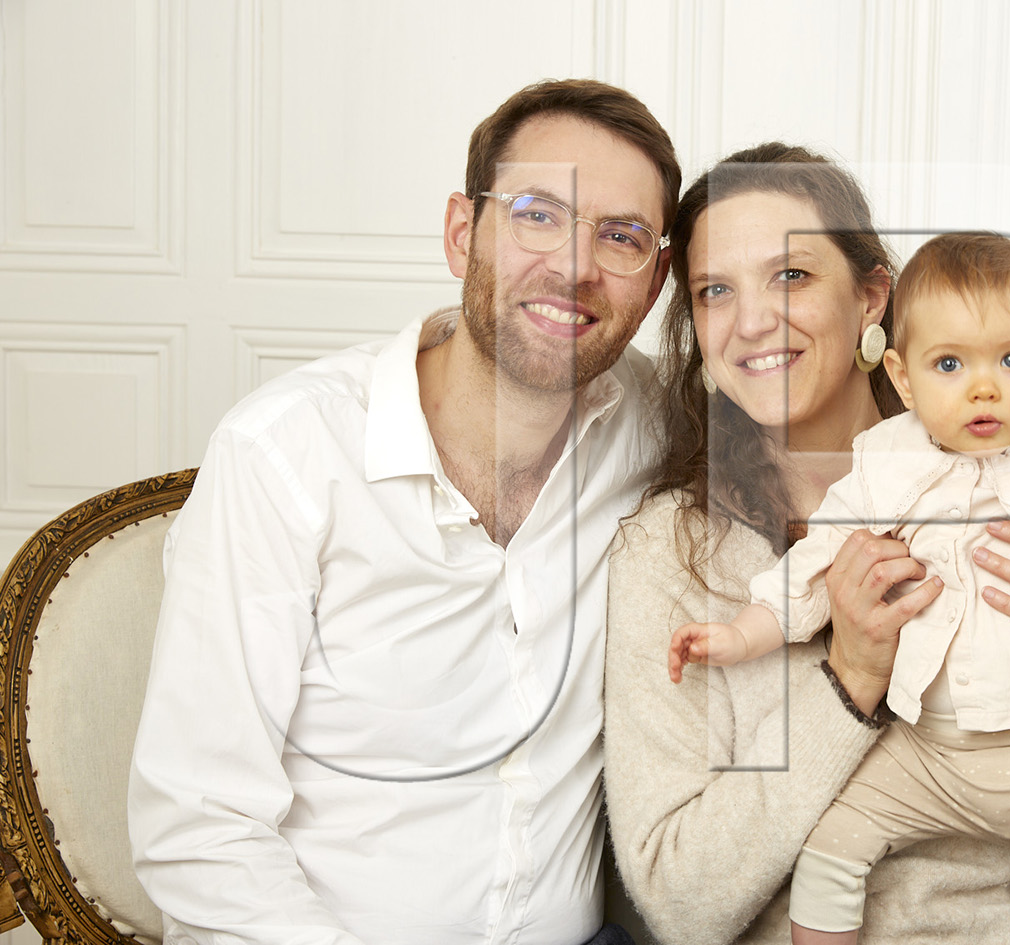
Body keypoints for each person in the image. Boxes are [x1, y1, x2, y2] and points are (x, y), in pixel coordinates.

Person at [128, 79, 679, 945]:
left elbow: (816, 432)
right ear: (462, 234)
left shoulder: (654, 429)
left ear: (654, 283)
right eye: (537, 214)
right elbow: (199, 829)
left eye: (621, 236)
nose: (575, 265)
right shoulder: (286, 456)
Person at [603, 145, 1010, 945]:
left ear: (870, 297)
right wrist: (850, 678)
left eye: (791, 275)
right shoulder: (669, 554)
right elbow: (681, 905)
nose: (751, 320)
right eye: (714, 291)